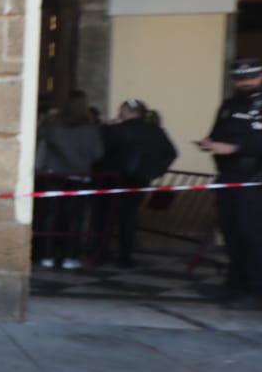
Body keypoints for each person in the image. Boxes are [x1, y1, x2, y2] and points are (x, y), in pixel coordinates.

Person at [198, 57, 262, 309]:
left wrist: (235, 147)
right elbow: (217, 135)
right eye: (239, 78)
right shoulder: (228, 105)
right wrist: (210, 144)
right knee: (232, 234)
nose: (245, 82)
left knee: (254, 236)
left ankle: (261, 292)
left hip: (257, 182)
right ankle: (237, 285)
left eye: (250, 77)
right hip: (229, 181)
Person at [97, 99, 177, 266]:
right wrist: (153, 172)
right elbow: (171, 153)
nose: (120, 113)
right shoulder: (155, 131)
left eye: (122, 110)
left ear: (131, 112)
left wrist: (104, 128)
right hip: (139, 180)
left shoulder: (116, 130)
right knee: (129, 216)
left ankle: (101, 252)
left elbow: (99, 151)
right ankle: (125, 255)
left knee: (105, 216)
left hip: (112, 180)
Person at [34, 93, 103, 271]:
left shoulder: (53, 125)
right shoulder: (90, 128)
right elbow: (98, 153)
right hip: (79, 176)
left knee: (50, 216)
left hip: (54, 174)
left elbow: (39, 136)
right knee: (74, 219)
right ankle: (69, 256)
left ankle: (47, 255)